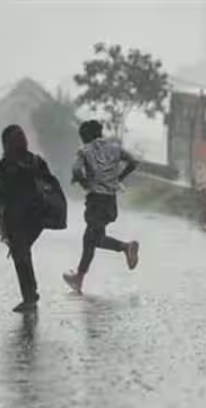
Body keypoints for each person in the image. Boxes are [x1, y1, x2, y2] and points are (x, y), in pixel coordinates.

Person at [62, 120, 140, 294]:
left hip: (96, 200)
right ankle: (79, 279)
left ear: (86, 136)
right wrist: (118, 178)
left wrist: (84, 183)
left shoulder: (84, 151)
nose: (82, 141)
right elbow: (134, 162)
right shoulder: (114, 148)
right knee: (90, 238)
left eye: (82, 137)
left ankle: (126, 247)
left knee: (92, 239)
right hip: (111, 201)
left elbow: (76, 170)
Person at [0, 124, 53, 313]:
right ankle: (30, 294)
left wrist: (0, 216)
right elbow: (50, 184)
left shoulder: (6, 164)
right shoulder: (36, 161)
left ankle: (29, 297)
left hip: (15, 217)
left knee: (21, 255)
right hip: (36, 217)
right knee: (24, 253)